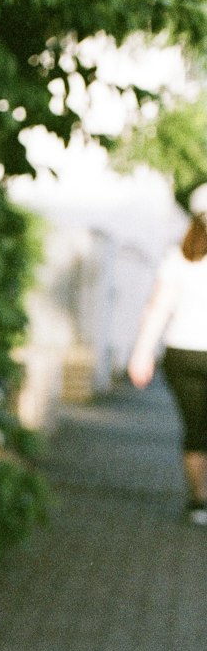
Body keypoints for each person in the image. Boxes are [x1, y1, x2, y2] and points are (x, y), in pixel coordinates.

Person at [128, 182, 207, 524]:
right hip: (188, 354)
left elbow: (158, 307)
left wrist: (141, 353)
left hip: (182, 355)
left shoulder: (178, 257)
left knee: (195, 429)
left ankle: (198, 503)